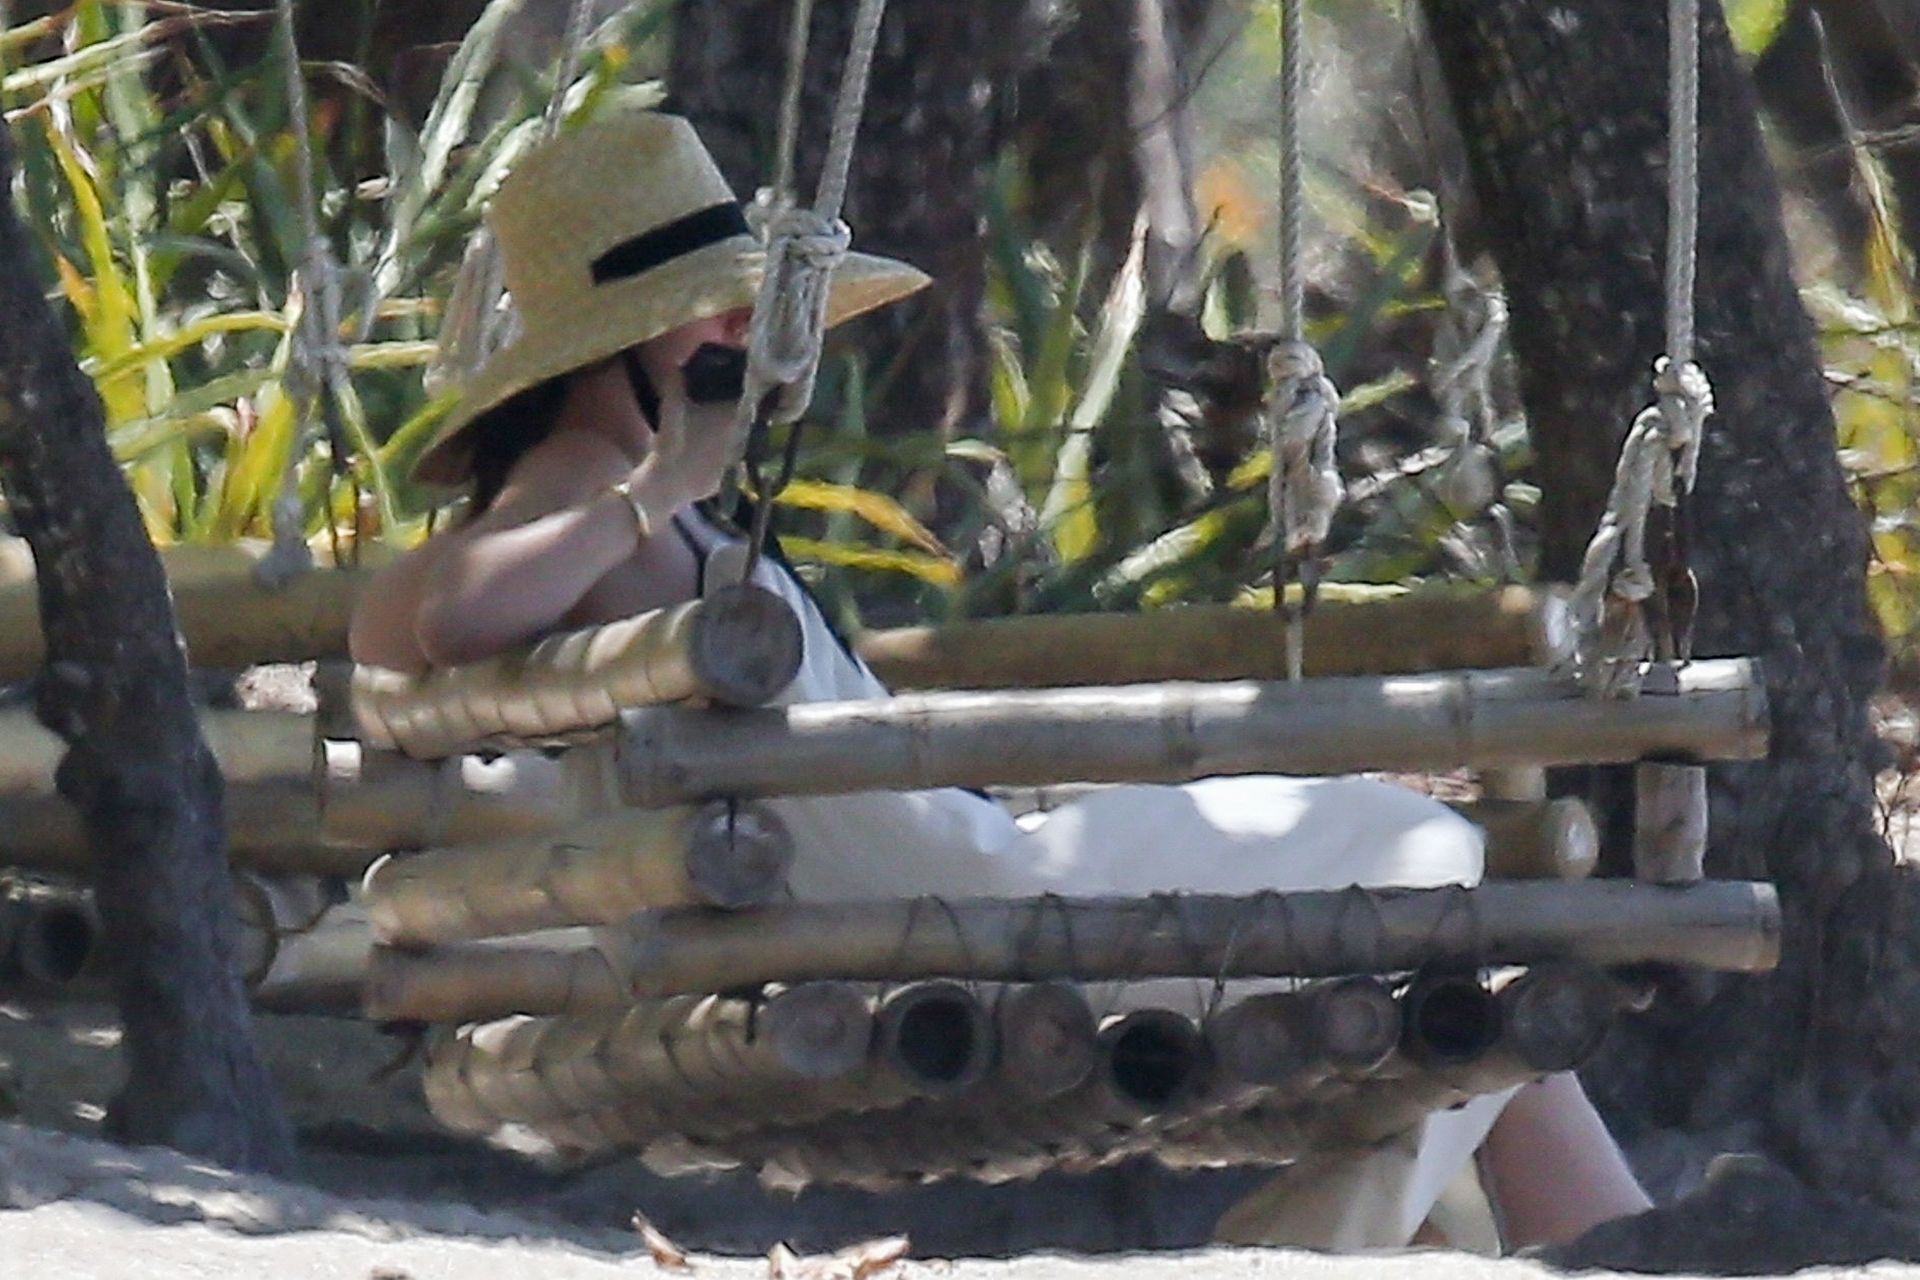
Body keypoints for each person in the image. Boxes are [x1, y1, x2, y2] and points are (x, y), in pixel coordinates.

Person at [351, 107, 1651, 1253]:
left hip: (955, 892)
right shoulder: (598, 484)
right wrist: (651, 492)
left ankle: (1611, 1254)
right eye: (715, 305)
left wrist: (662, 492)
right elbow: (442, 618)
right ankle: (1362, 1253)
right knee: (1432, 865)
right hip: (963, 923)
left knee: (1463, 966)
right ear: (620, 339)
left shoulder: (618, 493)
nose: (746, 330)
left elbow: (394, 618)